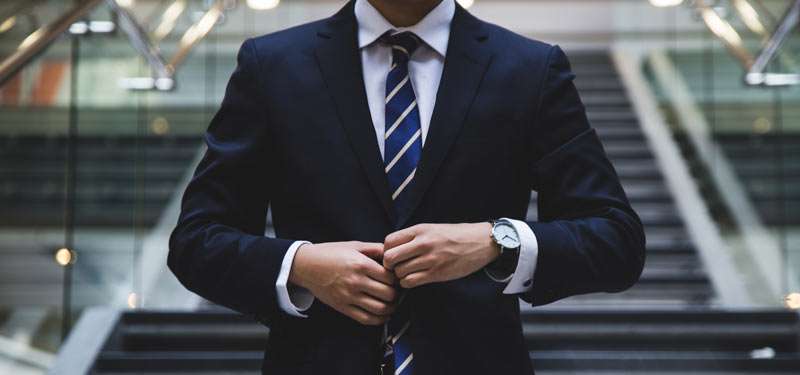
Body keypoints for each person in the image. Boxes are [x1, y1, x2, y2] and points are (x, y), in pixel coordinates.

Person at [168, 0, 646, 374]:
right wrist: (301, 265)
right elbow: (196, 240)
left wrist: (495, 240)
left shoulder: (530, 69)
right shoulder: (271, 66)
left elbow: (616, 239)